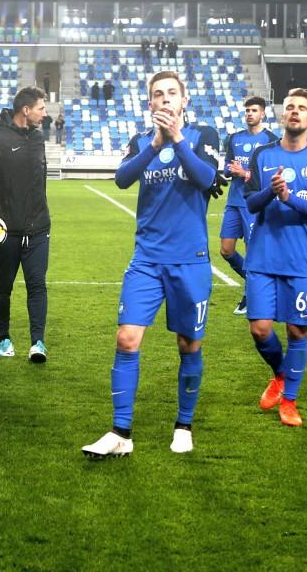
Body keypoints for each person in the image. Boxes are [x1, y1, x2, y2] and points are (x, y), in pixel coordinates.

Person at [81, 71, 219, 458]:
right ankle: (120, 432)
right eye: (158, 94)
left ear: (184, 100)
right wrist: (157, 143)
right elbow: (122, 178)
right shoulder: (141, 142)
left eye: (172, 93)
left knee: (188, 343)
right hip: (147, 259)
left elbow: (207, 178)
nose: (165, 99)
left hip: (189, 260)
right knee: (127, 338)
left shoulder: (203, 136)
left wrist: (176, 138)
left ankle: (184, 425)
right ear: (150, 103)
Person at [244, 89, 307, 427]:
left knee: (297, 331)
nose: (295, 112)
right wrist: (271, 191)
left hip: (301, 259)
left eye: (302, 108)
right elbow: (251, 204)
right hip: (263, 257)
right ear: (282, 115)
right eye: (290, 107)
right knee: (260, 329)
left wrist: (288, 198)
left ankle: (290, 401)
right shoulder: (262, 155)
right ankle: (281, 374)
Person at [0, 86, 51, 363]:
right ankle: (3, 338)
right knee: (3, 287)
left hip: (39, 229)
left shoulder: (38, 138)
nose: (45, 113)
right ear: (25, 110)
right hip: (5, 233)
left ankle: (38, 343)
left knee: (37, 285)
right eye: (41, 108)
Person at [218, 96, 279, 315]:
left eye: (254, 110)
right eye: (247, 111)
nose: (250, 114)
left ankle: (249, 295)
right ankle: (253, 282)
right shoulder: (234, 138)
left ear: (263, 113)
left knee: (252, 252)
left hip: (254, 203)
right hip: (234, 202)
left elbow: (271, 176)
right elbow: (227, 167)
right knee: (226, 250)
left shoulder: (271, 140)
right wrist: (230, 170)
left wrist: (244, 173)